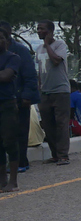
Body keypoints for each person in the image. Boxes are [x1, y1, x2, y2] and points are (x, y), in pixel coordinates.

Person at [0, 22, 38, 173]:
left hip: (19, 97)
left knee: (20, 132)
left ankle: (21, 162)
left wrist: (27, 95)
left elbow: (30, 75)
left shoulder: (19, 51)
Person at [35, 19, 71, 166]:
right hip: (45, 91)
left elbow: (56, 60)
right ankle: (54, 154)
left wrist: (48, 45)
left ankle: (63, 155)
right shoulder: (38, 49)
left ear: (50, 31)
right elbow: (38, 72)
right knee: (48, 124)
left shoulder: (60, 45)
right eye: (37, 29)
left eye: (42, 29)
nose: (38, 31)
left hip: (60, 90)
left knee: (61, 123)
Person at [0, 30, 22, 193]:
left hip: (7, 104)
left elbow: (6, 76)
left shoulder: (13, 58)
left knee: (9, 141)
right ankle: (2, 180)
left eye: (0, 38)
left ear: (6, 40)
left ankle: (13, 180)